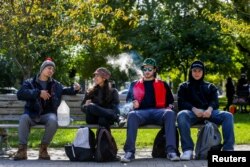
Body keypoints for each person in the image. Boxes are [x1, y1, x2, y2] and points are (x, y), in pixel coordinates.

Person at [14, 58, 81, 160]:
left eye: (53, 70)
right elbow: (20, 94)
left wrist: (75, 89)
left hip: (47, 114)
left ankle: (43, 149)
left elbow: (65, 90)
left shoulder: (55, 84)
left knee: (53, 120)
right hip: (32, 114)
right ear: (42, 69)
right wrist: (38, 93)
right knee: (23, 118)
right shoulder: (30, 82)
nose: (51, 71)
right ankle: (22, 150)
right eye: (49, 68)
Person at [121, 58, 180, 163]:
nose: (147, 71)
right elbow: (129, 100)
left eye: (150, 69)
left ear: (154, 70)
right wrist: (133, 103)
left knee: (170, 113)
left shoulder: (162, 84)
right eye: (145, 69)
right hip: (141, 113)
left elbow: (170, 101)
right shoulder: (135, 84)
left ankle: (171, 151)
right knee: (132, 115)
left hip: (159, 112)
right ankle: (129, 152)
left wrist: (169, 108)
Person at [177, 60, 235, 161]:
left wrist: (209, 110)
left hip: (209, 113)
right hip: (192, 114)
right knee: (182, 115)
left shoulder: (210, 86)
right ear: (191, 72)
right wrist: (194, 109)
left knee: (228, 115)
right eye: (194, 70)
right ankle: (188, 150)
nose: (197, 73)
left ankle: (228, 149)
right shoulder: (184, 86)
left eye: (199, 71)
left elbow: (215, 101)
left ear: (203, 72)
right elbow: (182, 103)